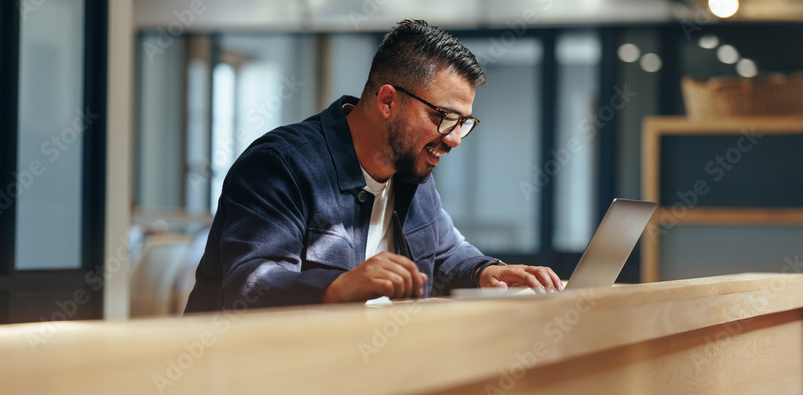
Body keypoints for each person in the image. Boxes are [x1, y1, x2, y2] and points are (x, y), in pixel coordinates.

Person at [185, 19, 561, 314]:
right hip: (254, 389)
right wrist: (337, 288)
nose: (454, 138)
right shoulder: (280, 165)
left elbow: (444, 253)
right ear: (387, 101)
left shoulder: (411, 170)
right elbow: (250, 285)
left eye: (463, 122)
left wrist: (486, 271)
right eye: (444, 117)